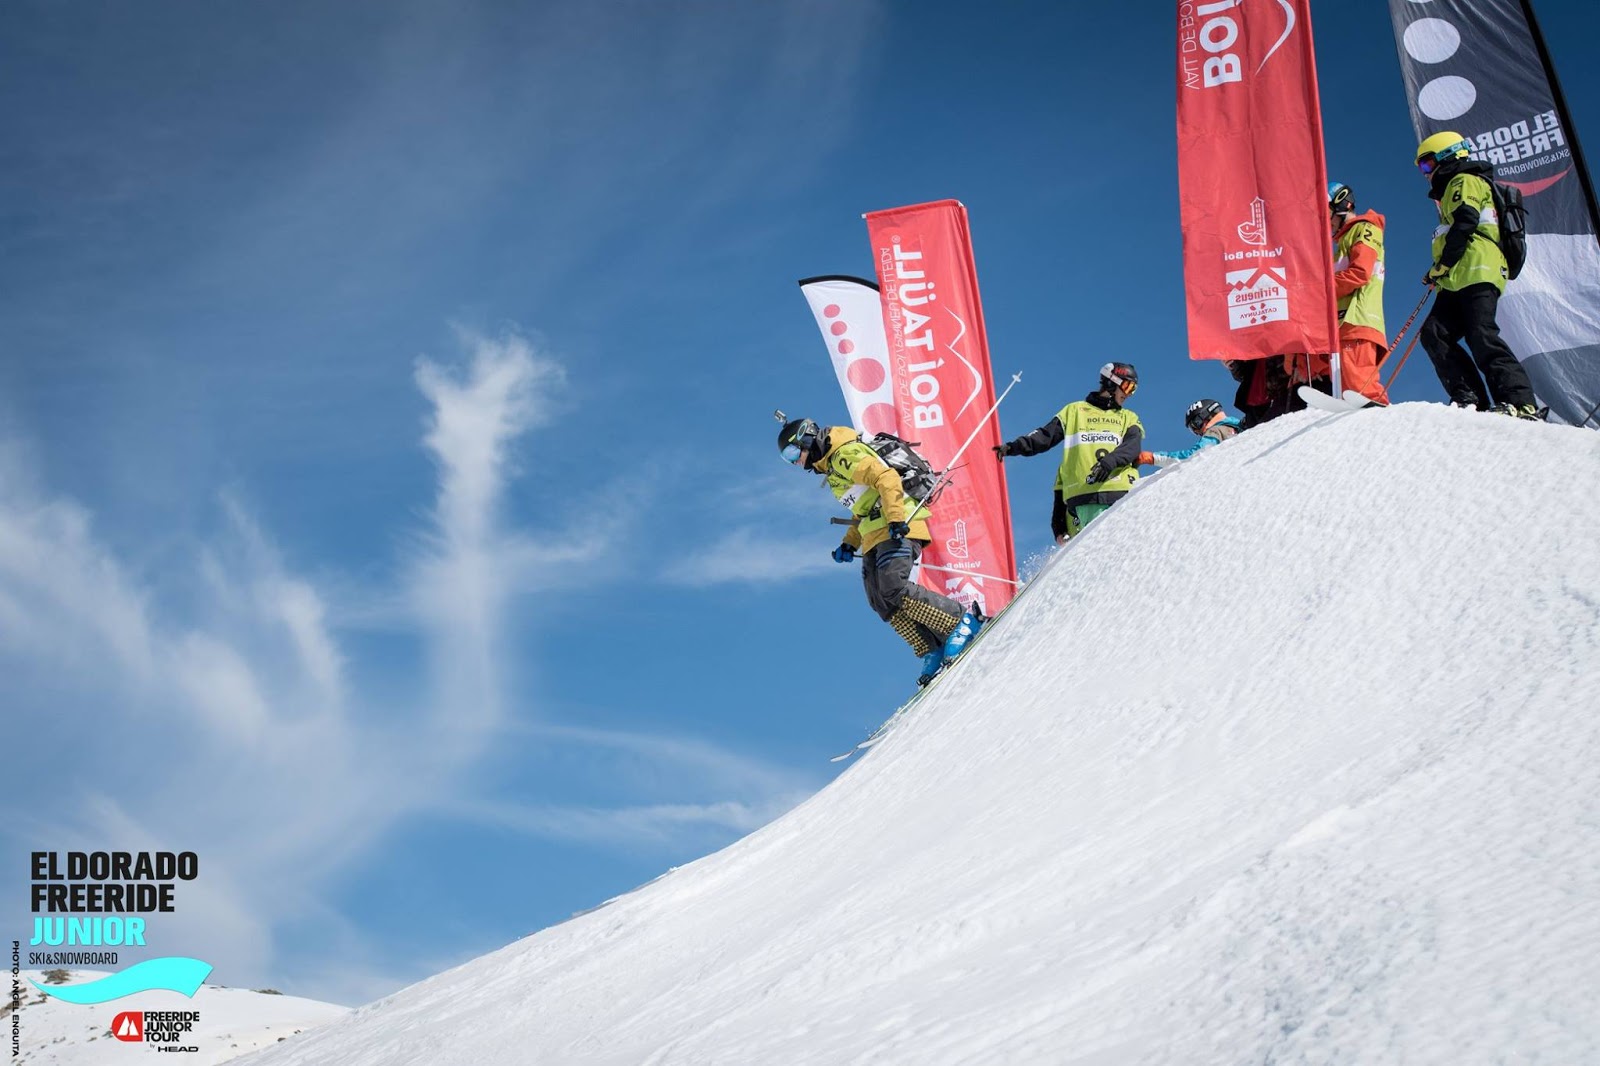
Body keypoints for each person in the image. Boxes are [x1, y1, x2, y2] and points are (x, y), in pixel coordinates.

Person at [778, 416, 982, 686]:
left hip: (896, 524)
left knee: (893, 586)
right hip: (874, 533)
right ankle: (931, 647)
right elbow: (862, 509)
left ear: (806, 439)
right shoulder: (833, 471)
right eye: (787, 459)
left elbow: (886, 478)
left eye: (793, 453)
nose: (794, 462)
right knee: (880, 601)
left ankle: (962, 621)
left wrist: (896, 518)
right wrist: (850, 542)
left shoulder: (844, 455)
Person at [1413, 132, 1542, 419]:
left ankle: (1520, 403)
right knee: (1434, 333)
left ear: (1446, 156)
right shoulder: (1449, 192)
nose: (1425, 173)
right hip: (1457, 275)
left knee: (1481, 334)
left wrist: (1443, 264)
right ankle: (1469, 397)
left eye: (1426, 164)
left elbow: (1466, 222)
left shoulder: (1464, 180)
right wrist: (1439, 271)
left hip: (1478, 269)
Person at [993, 362, 1143, 542]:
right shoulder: (1074, 411)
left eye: (1133, 389)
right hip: (1082, 500)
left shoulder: (1128, 417)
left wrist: (1110, 461)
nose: (1129, 394)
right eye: (1127, 386)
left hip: (1119, 493)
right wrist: (1013, 447)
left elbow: (1133, 446)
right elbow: (1044, 436)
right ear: (1111, 382)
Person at [1327, 181, 1391, 405]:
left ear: (1342, 206)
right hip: (1345, 323)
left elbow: (1360, 273)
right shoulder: (1342, 242)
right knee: (1351, 394)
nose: (1327, 221)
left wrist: (1320, 291)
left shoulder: (1364, 228)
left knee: (1363, 391)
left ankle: (1382, 426)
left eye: (1328, 213)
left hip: (1358, 319)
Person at [1139, 398, 1242, 467]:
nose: (1198, 432)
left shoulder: (1214, 431)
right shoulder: (1241, 427)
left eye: (1195, 425)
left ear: (1205, 416)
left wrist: (1153, 458)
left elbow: (1193, 455)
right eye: (1193, 430)